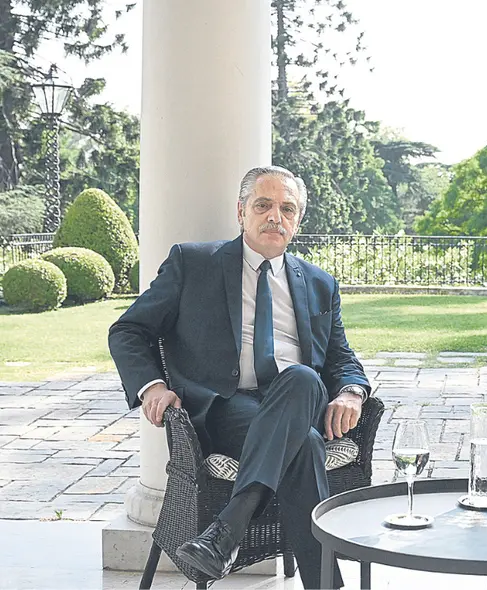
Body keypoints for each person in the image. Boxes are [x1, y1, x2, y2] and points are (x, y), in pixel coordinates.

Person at [109, 165, 371, 589]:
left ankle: (225, 532)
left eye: (287, 209)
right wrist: (152, 385)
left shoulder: (320, 284)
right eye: (263, 205)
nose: (276, 217)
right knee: (303, 445)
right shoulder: (194, 263)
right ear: (241, 211)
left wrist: (353, 393)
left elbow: (341, 357)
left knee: (303, 379)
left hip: (299, 400)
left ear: (298, 220)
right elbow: (128, 330)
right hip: (227, 409)